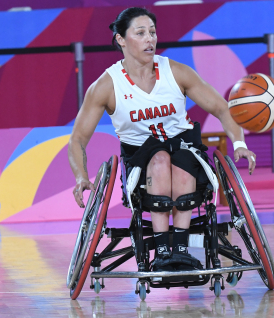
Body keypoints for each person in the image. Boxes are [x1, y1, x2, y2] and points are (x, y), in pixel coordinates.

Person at [68, 7, 256, 272]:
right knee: (159, 158)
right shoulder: (106, 85)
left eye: (153, 32)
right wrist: (80, 176)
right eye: (141, 33)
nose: (150, 39)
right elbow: (77, 140)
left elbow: (222, 108)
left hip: (183, 147)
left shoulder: (176, 72)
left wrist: (240, 144)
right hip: (140, 158)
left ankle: (179, 248)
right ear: (121, 39)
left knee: (179, 159)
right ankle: (163, 249)